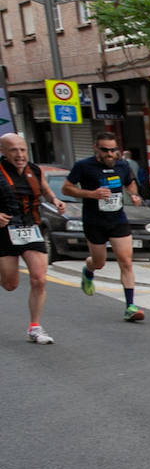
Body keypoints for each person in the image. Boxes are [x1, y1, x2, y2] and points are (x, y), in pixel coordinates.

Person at [63, 132, 146, 322]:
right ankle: (89, 269)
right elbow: (66, 188)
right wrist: (91, 194)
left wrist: (134, 195)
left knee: (126, 261)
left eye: (113, 150)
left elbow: (130, 183)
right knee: (99, 262)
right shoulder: (83, 166)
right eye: (105, 150)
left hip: (118, 220)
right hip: (94, 221)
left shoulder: (122, 165)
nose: (109, 154)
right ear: (96, 148)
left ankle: (130, 307)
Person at [0, 133, 65, 344]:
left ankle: (35, 327)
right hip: (5, 229)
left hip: (31, 227)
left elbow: (45, 191)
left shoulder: (35, 170)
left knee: (39, 279)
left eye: (22, 149)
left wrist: (55, 200)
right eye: (13, 150)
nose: (19, 154)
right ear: (3, 152)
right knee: (10, 285)